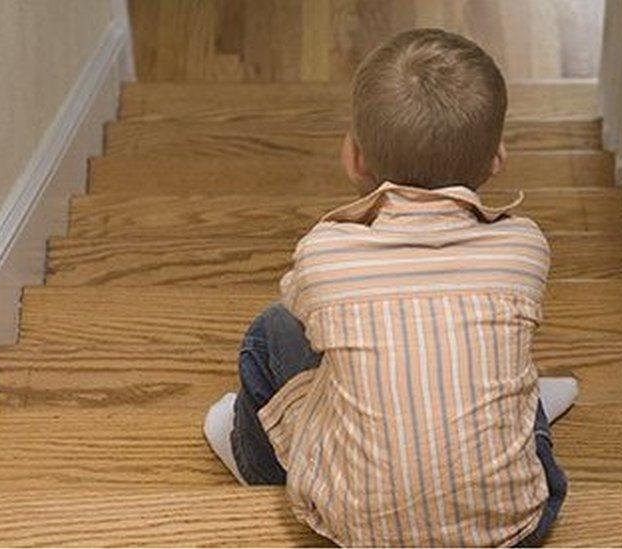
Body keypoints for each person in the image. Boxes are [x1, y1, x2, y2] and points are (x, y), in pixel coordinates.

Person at [204, 28, 578, 547]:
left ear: (354, 159)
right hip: (516, 528)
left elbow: (304, 317)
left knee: (271, 331)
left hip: (357, 528)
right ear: (497, 159)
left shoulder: (322, 254)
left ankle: (255, 460)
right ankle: (524, 421)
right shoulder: (525, 247)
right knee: (498, 351)